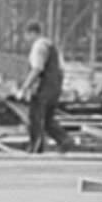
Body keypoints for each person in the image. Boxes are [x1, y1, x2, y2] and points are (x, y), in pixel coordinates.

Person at [16, 20, 72, 153]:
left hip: (44, 87)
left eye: (26, 35)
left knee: (35, 117)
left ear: (32, 33)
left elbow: (37, 69)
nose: (26, 39)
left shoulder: (39, 46)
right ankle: (65, 140)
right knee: (47, 120)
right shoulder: (52, 46)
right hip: (55, 87)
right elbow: (61, 69)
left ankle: (36, 147)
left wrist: (24, 87)